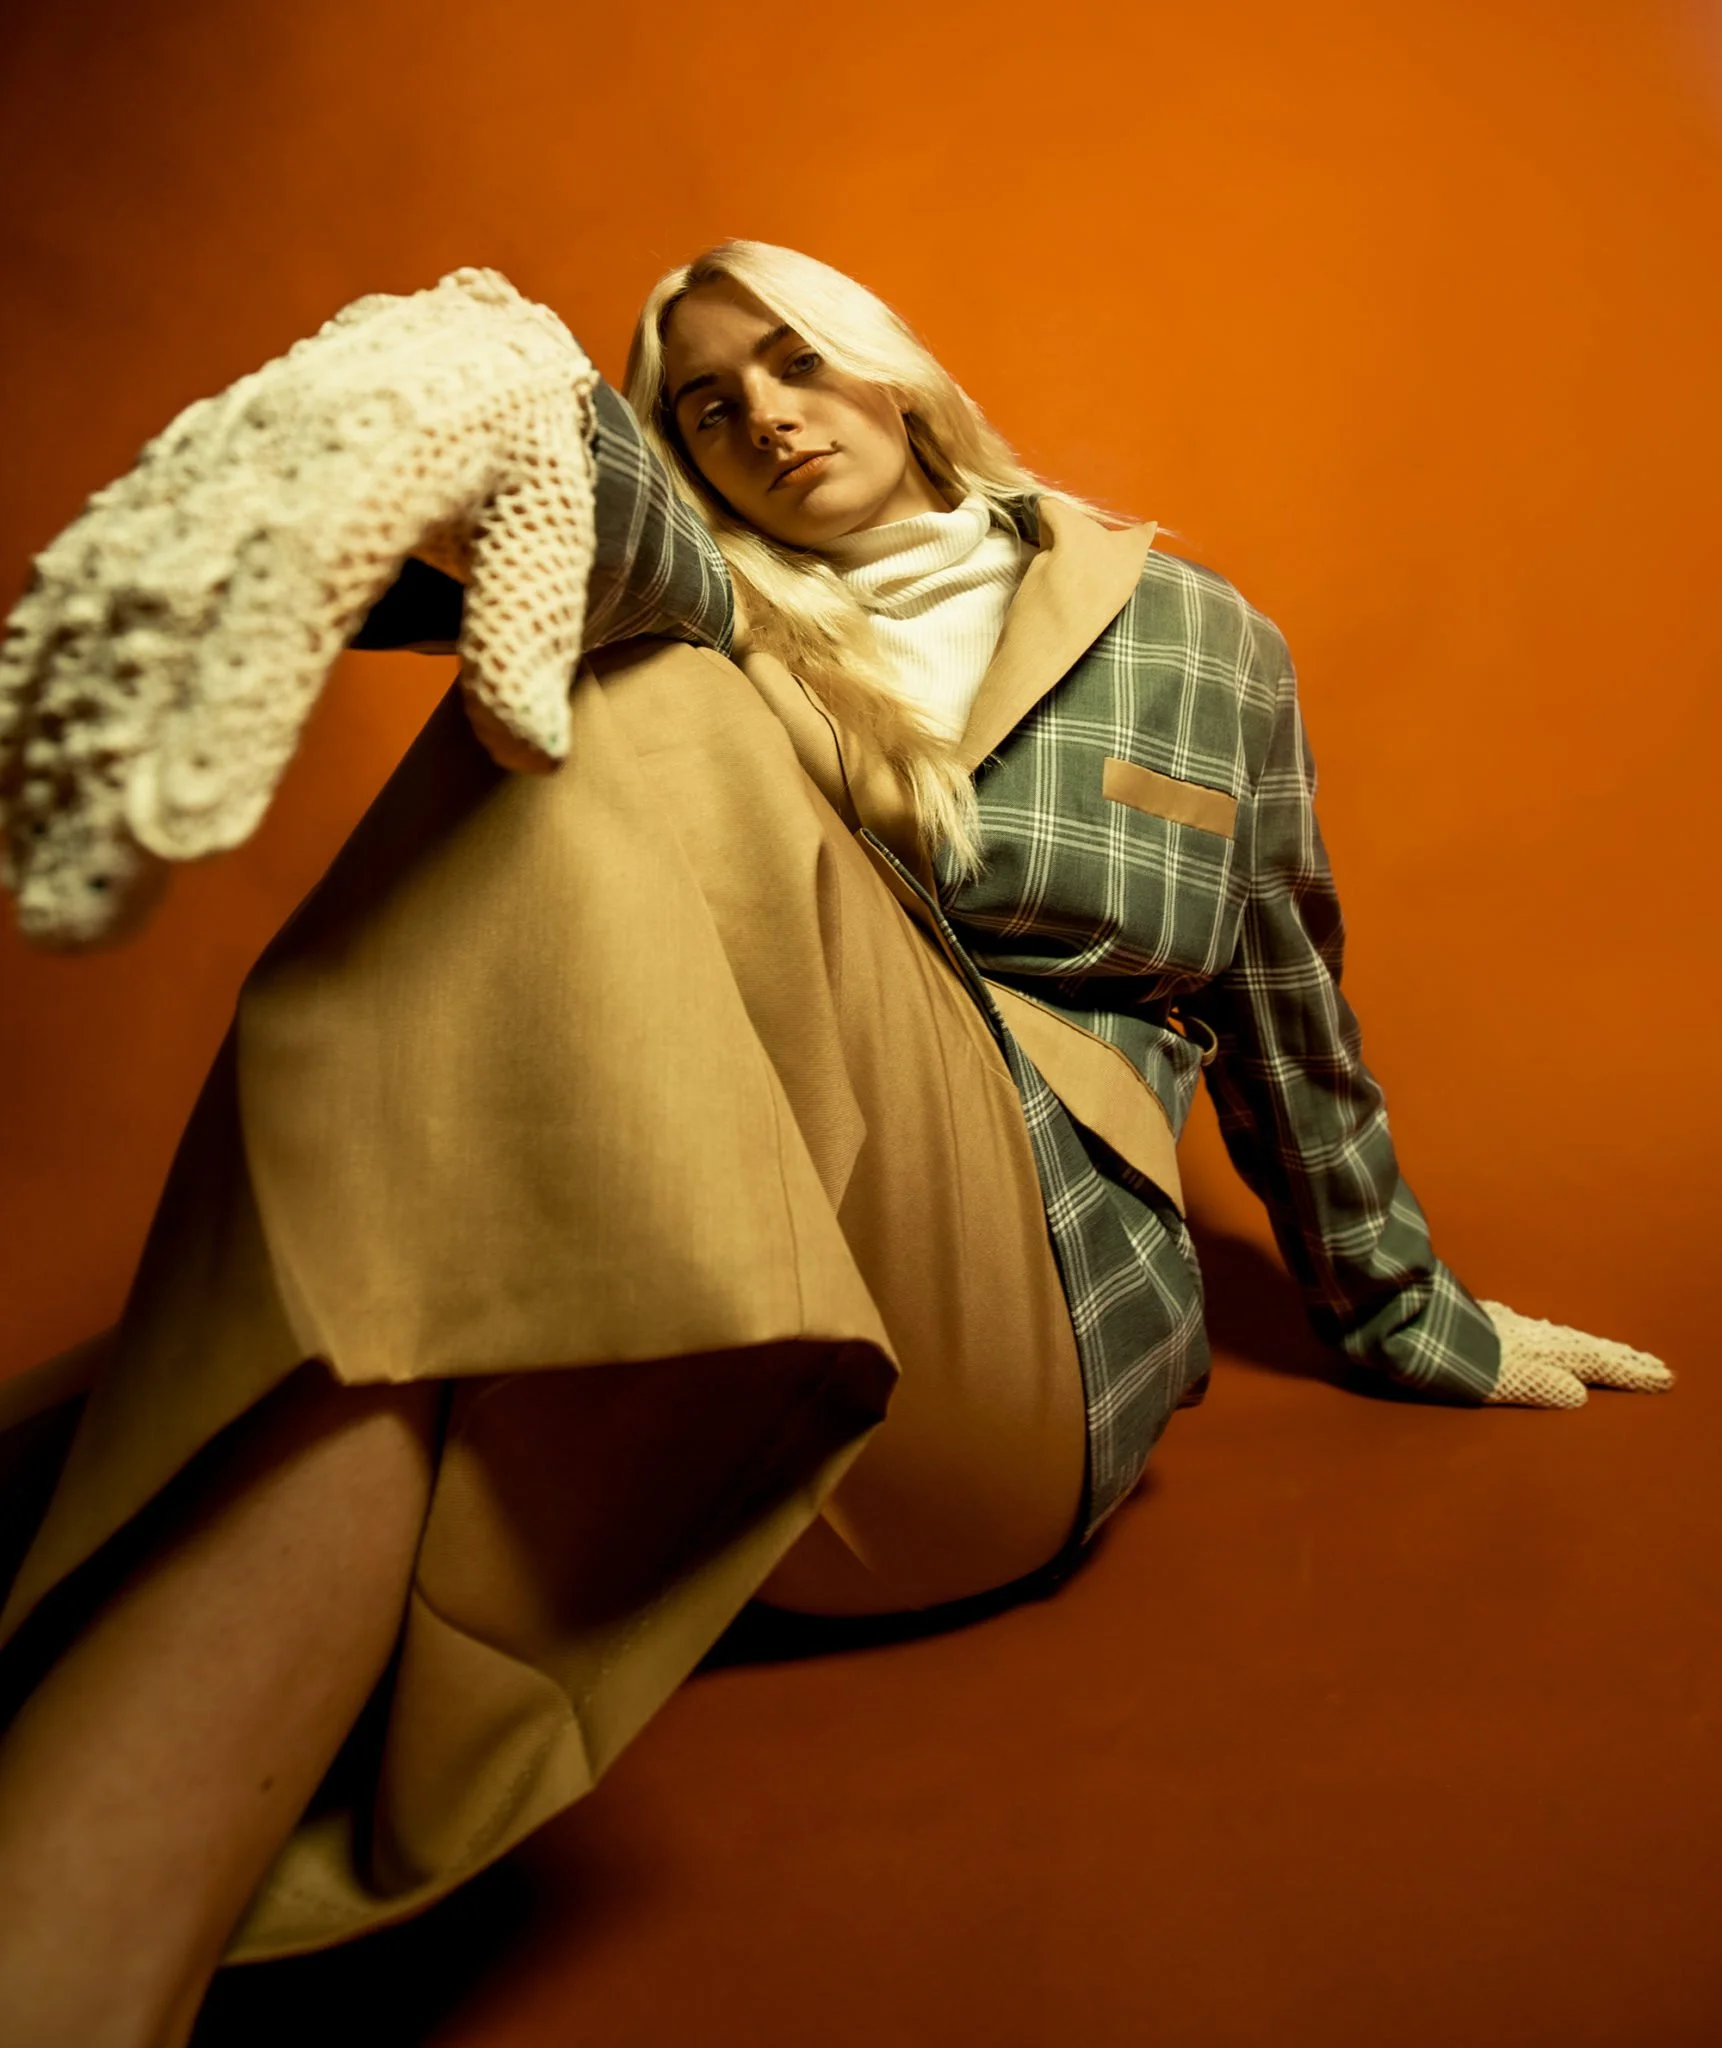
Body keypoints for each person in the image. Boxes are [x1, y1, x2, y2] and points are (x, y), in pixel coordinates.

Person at [0, 242, 1672, 2045]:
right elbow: (605, 550)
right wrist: (493, 429)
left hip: (1002, 1341)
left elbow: (1289, 1011)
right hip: (688, 1257)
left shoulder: (1199, 640)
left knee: (634, 708)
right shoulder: (705, 594)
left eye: (795, 361)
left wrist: (1411, 1314)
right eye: (707, 407)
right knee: (625, 681)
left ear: (892, 368)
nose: (767, 418)